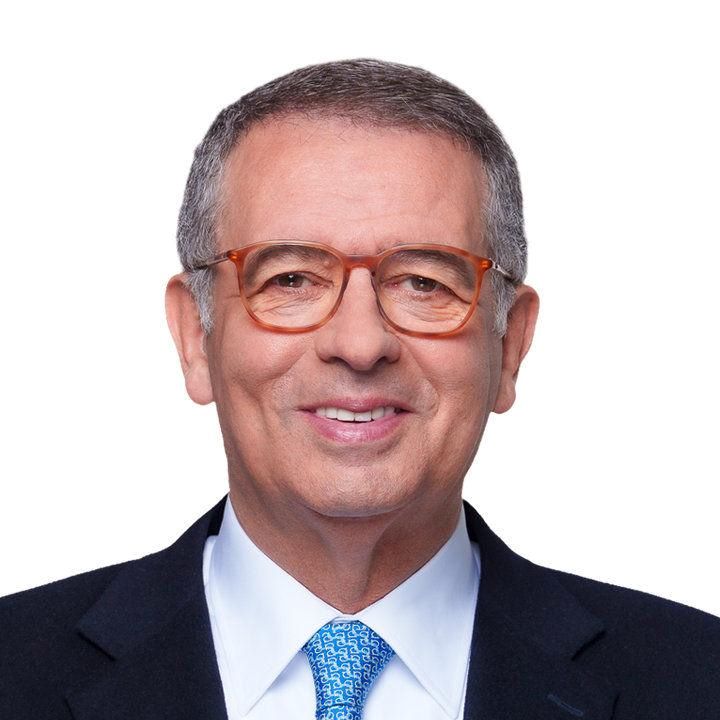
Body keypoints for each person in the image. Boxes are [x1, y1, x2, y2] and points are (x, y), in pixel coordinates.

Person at [1, 58, 718, 720]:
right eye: (290, 278)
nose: (360, 343)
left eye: (424, 283)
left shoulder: (698, 682)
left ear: (510, 345)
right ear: (195, 336)